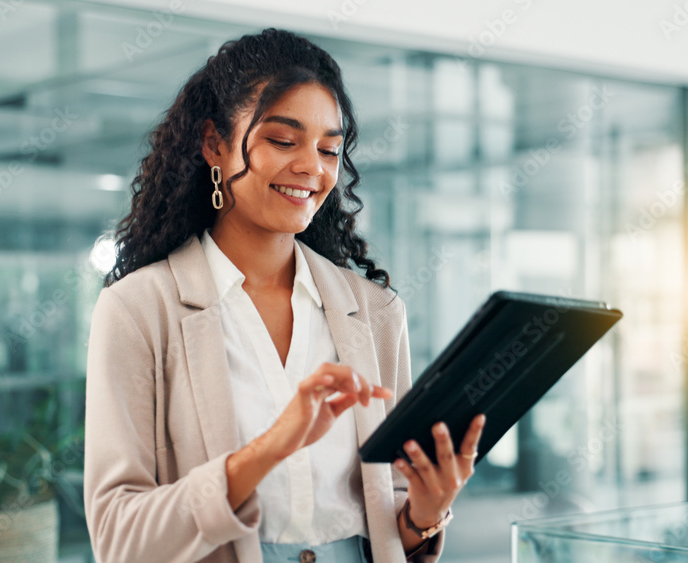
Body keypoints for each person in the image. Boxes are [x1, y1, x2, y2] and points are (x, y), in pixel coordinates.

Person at [84, 27, 485, 563]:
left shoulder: (378, 314)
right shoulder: (138, 310)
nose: (312, 168)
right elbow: (118, 538)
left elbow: (388, 520)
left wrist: (424, 513)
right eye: (282, 140)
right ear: (214, 145)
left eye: (329, 149)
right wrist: (271, 447)